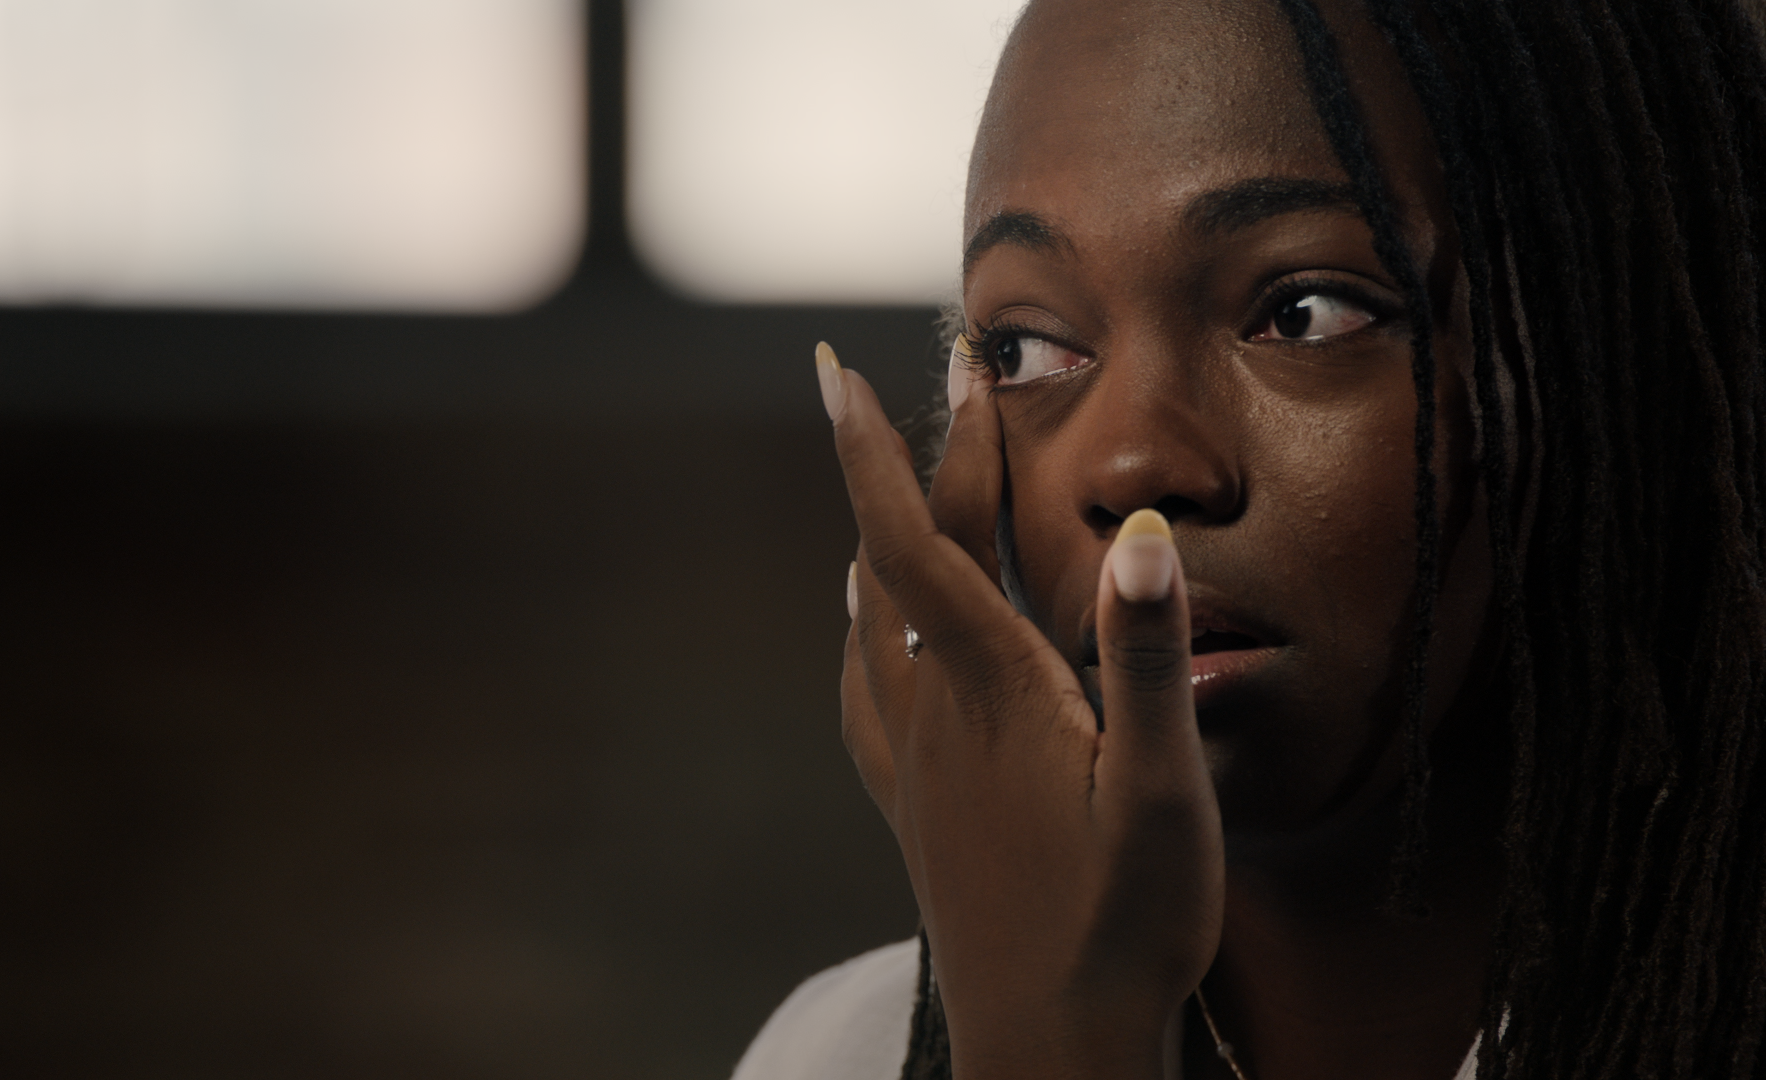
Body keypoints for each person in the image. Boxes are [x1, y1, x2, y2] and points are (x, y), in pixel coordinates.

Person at [731, 0, 1766, 1077]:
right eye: (1028, 350)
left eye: (1305, 313)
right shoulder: (836, 1054)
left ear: (1634, 349)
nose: (1131, 466)